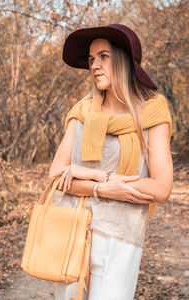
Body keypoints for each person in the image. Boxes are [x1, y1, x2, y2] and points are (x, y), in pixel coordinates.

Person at [49, 24, 173, 300]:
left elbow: (161, 188)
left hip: (120, 238)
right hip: (72, 231)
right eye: (92, 59)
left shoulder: (152, 111)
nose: (95, 65)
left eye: (103, 56)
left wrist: (87, 173)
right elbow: (56, 176)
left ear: (124, 61)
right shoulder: (82, 111)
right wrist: (103, 185)